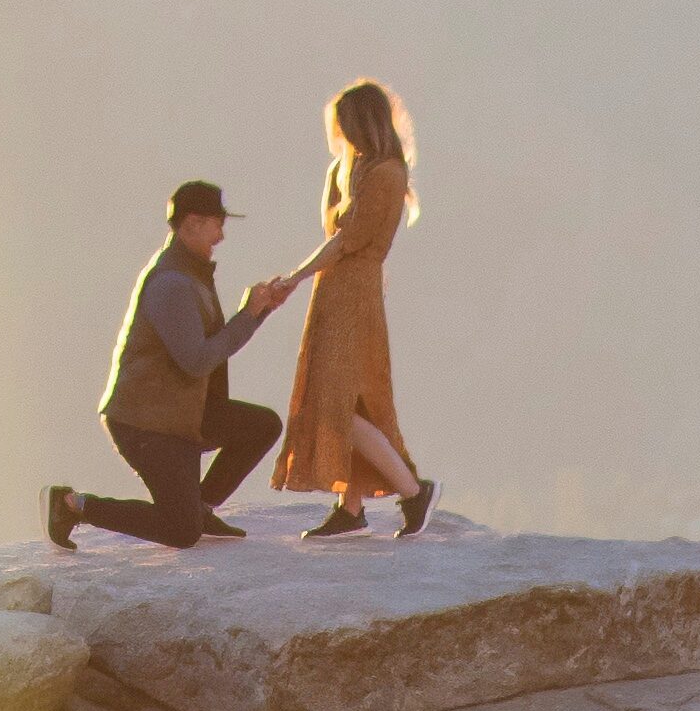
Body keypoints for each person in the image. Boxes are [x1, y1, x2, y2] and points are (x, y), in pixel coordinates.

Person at [58, 178, 304, 549]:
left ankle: (199, 506)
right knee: (181, 531)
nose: (220, 236)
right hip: (148, 424)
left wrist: (260, 311)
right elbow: (197, 361)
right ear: (192, 224)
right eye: (216, 225)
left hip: (183, 413)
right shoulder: (172, 283)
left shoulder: (191, 275)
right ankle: (72, 505)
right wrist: (247, 314)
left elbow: (210, 347)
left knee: (262, 426)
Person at [275, 80, 440, 540]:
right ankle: (350, 508)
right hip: (335, 291)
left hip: (354, 293)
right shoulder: (351, 169)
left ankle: (413, 492)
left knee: (343, 402)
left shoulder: (386, 174)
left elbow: (347, 240)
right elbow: (334, 229)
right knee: (343, 398)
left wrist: (294, 276)